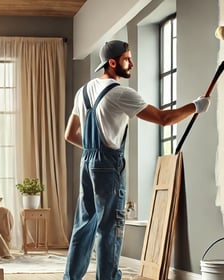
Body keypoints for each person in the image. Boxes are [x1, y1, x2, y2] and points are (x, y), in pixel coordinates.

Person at [63, 40, 210, 280]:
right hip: (108, 165)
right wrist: (195, 106)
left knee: (84, 225)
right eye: (126, 59)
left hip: (88, 162)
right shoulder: (121, 93)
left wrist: (94, 149)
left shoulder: (84, 91)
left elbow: (69, 134)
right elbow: (164, 118)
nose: (132, 63)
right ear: (112, 63)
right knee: (110, 229)